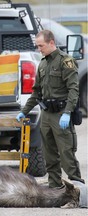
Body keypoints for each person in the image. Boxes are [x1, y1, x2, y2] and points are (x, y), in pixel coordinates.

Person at [16, 30, 85, 188]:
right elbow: (36, 92)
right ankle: (55, 188)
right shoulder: (43, 63)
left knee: (67, 153)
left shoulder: (65, 61)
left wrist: (67, 112)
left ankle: (78, 190)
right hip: (46, 115)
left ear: (51, 43)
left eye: (41, 45)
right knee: (49, 155)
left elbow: (73, 90)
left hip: (61, 113)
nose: (39, 48)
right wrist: (24, 111)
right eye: (38, 45)